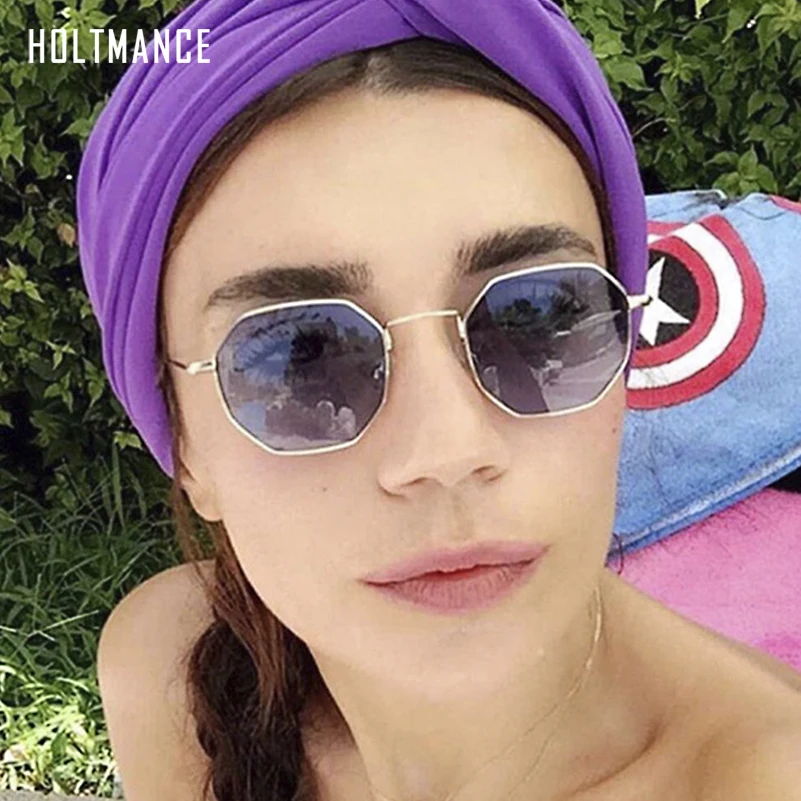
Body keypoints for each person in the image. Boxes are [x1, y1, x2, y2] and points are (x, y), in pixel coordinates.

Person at [76, 5, 801, 801]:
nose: (447, 450)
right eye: (299, 354)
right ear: (183, 441)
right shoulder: (174, 673)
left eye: (536, 317)